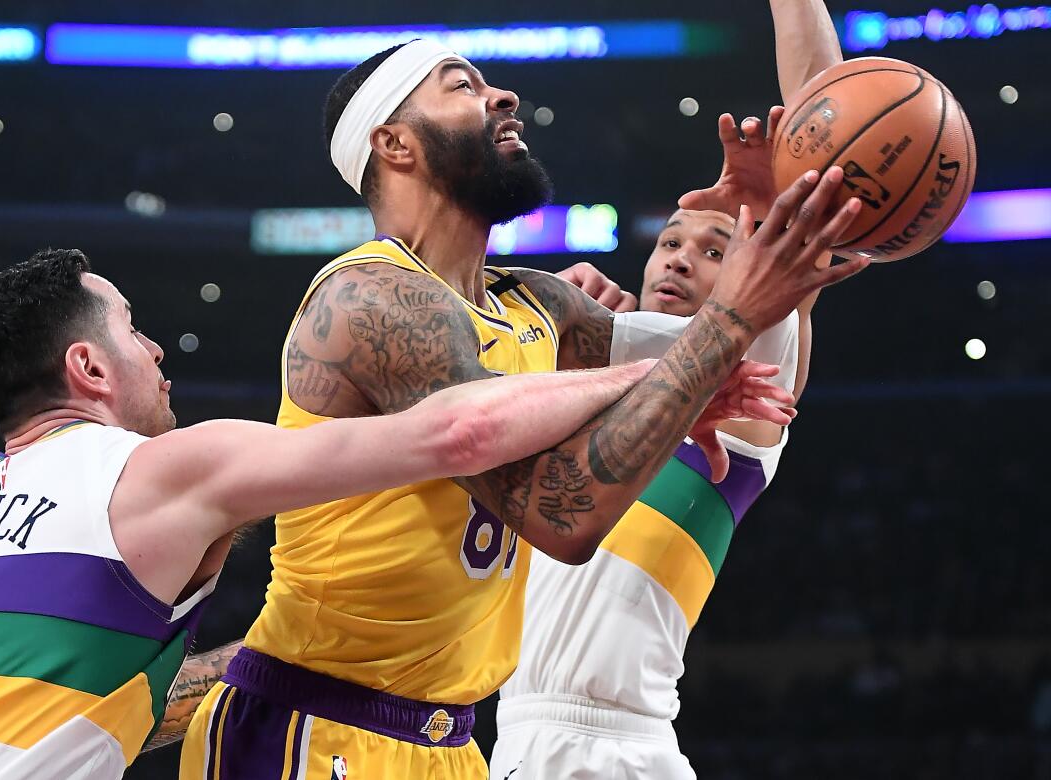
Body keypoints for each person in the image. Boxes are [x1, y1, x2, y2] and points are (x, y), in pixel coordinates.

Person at [180, 35, 866, 779]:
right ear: (395, 144)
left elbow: (746, 353)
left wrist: (772, 214)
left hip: (451, 741)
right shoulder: (371, 296)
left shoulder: (537, 305)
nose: (502, 96)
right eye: (462, 86)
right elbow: (561, 515)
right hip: (314, 724)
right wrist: (711, 340)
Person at [0, 247, 734, 780]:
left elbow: (75, 702)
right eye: (132, 326)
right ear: (88, 366)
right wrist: (662, 372)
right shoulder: (152, 473)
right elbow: (456, 432)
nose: (157, 349)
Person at [490, 2, 845, 777]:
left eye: (716, 249)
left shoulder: (747, 383)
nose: (679, 257)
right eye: (671, 242)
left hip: (618, 747)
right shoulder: (589, 385)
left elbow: (837, 141)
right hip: (507, 741)